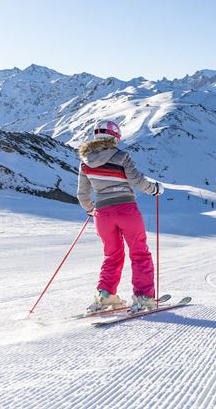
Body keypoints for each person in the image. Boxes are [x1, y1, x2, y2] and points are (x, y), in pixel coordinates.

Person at [77, 120, 165, 313]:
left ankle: (105, 296)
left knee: (112, 255)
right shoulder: (122, 157)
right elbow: (138, 182)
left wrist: (91, 209)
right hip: (126, 210)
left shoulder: (85, 163)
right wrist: (155, 189)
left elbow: (82, 195)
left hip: (102, 215)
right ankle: (144, 297)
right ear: (115, 137)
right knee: (139, 253)